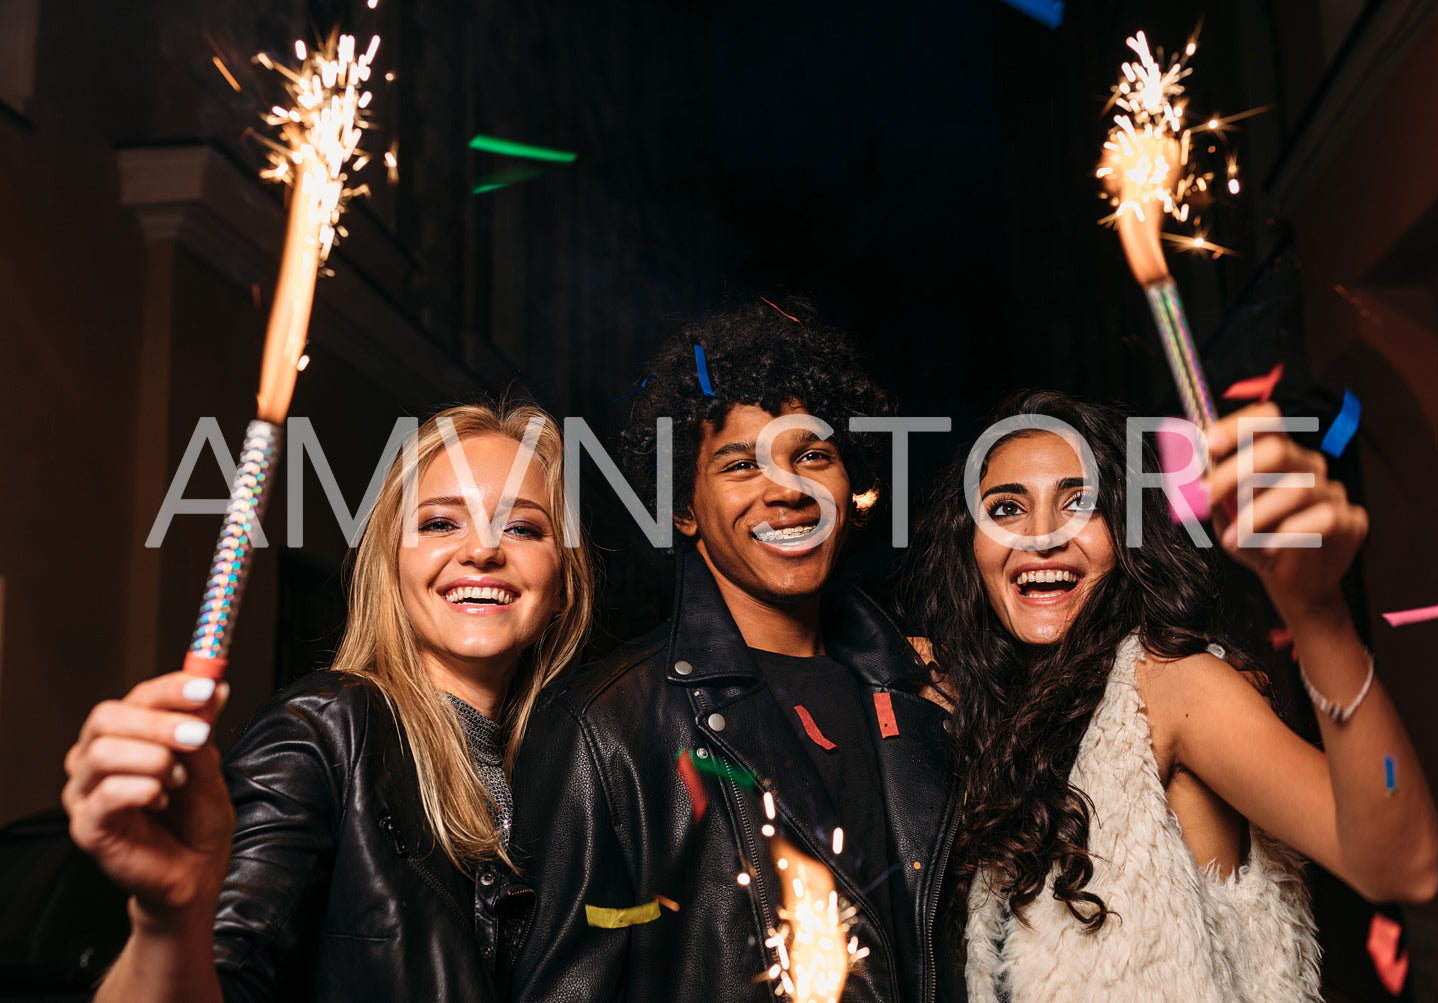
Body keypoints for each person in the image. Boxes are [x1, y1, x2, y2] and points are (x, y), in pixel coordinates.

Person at [903, 390, 1438, 1003]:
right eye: (1006, 509)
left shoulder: (1170, 687)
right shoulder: (995, 714)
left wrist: (1317, 612)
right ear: (970, 547)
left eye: (1081, 503)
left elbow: (1402, 864)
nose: (1043, 537)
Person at [508, 299, 966, 1002]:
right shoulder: (606, 729)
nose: (787, 489)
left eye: (813, 455)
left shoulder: (928, 697)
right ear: (683, 507)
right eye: (738, 465)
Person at [62, 402, 595, 1002]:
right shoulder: (325, 730)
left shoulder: (582, 769)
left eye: (523, 528)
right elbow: (222, 976)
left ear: (562, 584)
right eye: (441, 523)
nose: (483, 550)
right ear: (390, 567)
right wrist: (168, 922)